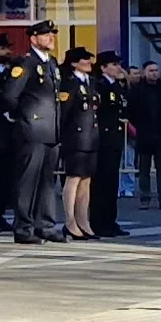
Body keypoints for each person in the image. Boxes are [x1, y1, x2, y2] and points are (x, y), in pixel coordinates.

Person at [3, 26, 66, 242]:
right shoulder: (25, 62)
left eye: (53, 35)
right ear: (33, 38)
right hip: (32, 129)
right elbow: (10, 95)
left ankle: (45, 225)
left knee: (47, 182)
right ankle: (24, 227)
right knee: (27, 180)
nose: (51, 38)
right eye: (47, 35)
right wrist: (25, 117)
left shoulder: (51, 63)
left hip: (51, 130)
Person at [58, 45, 106, 233]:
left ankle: (83, 220)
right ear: (74, 63)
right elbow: (65, 113)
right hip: (75, 137)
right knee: (74, 178)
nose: (89, 63)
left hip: (90, 137)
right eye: (84, 60)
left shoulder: (90, 82)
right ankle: (70, 221)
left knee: (86, 180)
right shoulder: (69, 83)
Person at [85, 52, 129, 235]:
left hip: (114, 138)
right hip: (103, 138)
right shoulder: (100, 85)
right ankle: (99, 221)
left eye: (119, 64)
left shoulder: (116, 86)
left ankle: (110, 220)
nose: (118, 67)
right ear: (103, 67)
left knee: (112, 183)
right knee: (101, 183)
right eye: (113, 64)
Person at [128, 58, 161, 209]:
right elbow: (131, 112)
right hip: (144, 135)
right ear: (144, 73)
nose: (154, 73)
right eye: (151, 71)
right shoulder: (137, 91)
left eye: (156, 70)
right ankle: (145, 198)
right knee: (144, 170)